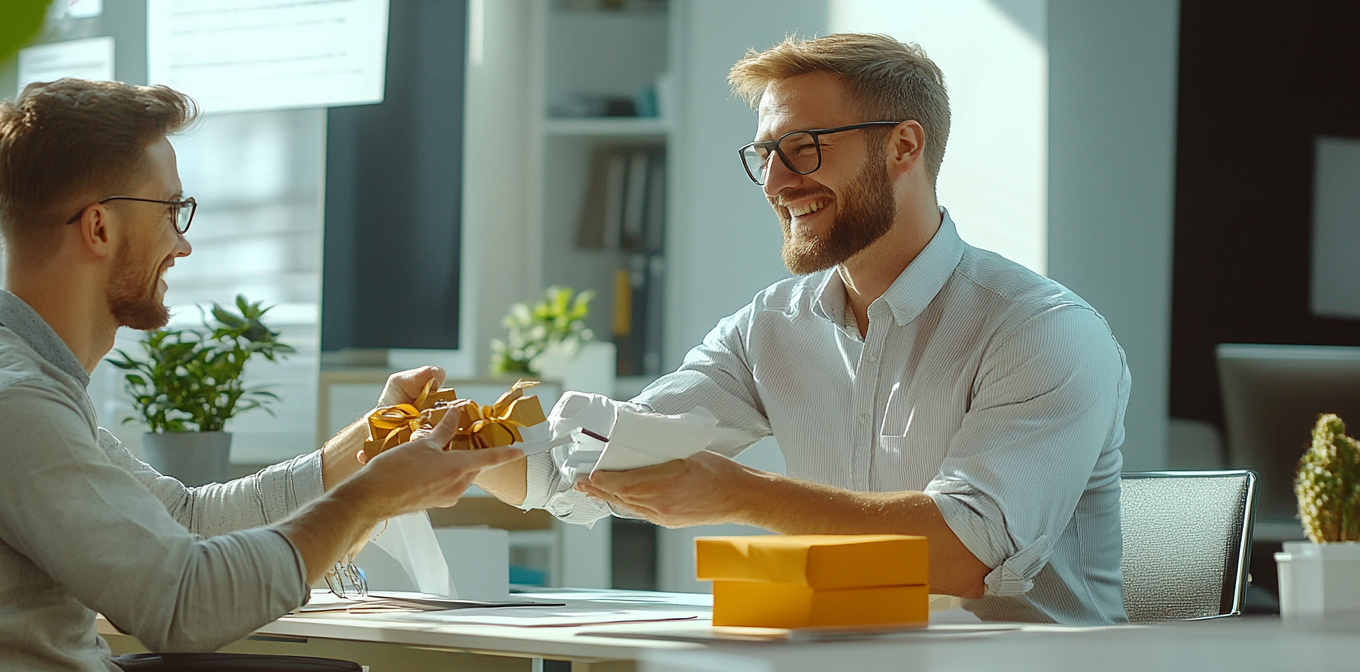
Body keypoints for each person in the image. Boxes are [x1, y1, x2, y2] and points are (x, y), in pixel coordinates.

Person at [475, 33, 1130, 624]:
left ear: (904, 146)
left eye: (803, 149)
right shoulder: (772, 328)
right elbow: (581, 469)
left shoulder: (1042, 332)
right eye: (765, 154)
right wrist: (442, 442)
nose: (776, 181)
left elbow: (966, 552)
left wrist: (739, 494)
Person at [0, 78, 522, 671]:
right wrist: (370, 499)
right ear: (99, 226)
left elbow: (185, 522)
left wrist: (360, 452)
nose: (183, 244)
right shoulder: (5, 404)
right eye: (171, 210)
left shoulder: (5, 379)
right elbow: (185, 608)